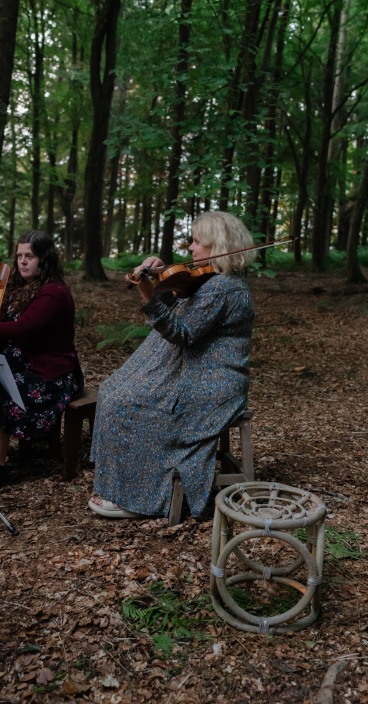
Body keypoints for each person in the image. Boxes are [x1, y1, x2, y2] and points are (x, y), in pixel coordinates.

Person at [89, 210, 256, 519]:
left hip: (214, 382)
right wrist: (163, 275)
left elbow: (183, 332)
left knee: (133, 403)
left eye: (196, 242)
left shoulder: (224, 288)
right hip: (196, 370)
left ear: (218, 246)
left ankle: (140, 496)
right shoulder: (213, 279)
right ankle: (124, 485)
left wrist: (147, 293)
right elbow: (181, 305)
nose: (190, 248)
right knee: (114, 392)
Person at [0, 230, 82, 491]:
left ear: (44, 259)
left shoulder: (53, 293)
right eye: (20, 256)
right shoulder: (18, 287)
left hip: (51, 374)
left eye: (30, 256)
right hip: (21, 365)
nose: (23, 262)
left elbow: (23, 328)